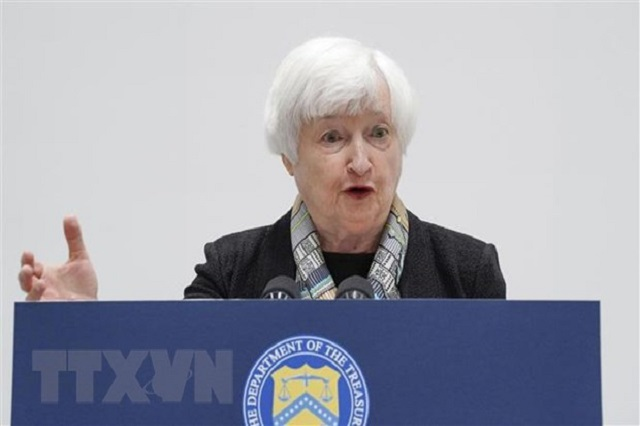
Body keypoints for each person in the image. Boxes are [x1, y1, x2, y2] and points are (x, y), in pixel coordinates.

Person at [18, 37, 506, 301]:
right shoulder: (228, 273)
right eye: (332, 137)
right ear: (289, 157)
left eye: (379, 133)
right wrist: (84, 325)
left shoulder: (468, 274)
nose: (361, 162)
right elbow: (176, 393)